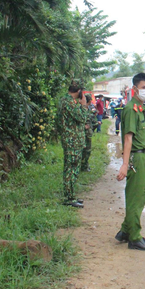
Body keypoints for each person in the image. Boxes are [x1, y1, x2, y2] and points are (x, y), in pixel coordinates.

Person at [115, 72, 145, 251]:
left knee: (139, 194)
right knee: (136, 197)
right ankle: (134, 237)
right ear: (134, 89)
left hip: (141, 155)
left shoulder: (139, 108)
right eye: (144, 88)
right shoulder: (132, 109)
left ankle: (125, 230)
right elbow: (127, 139)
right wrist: (125, 164)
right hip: (135, 156)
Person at [56, 79, 87, 208]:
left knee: (71, 167)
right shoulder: (70, 102)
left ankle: (71, 195)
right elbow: (81, 117)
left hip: (70, 139)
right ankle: (69, 198)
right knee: (72, 168)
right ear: (79, 91)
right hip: (72, 140)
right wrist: (84, 105)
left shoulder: (64, 100)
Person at [81, 93, 97, 172]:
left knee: (87, 150)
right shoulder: (83, 109)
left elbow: (91, 120)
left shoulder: (88, 109)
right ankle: (83, 165)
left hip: (88, 133)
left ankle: (85, 165)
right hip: (83, 133)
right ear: (90, 100)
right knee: (85, 150)